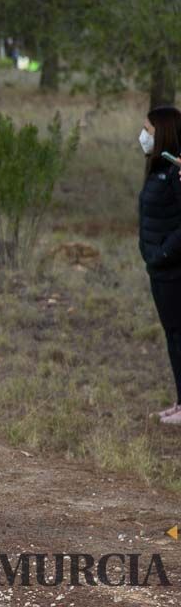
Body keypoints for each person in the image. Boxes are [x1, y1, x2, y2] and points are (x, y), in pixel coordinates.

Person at [139, 105, 181, 423]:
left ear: (163, 132)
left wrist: (164, 252)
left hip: (172, 270)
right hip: (159, 269)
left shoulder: (177, 173)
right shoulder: (159, 168)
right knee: (172, 336)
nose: (143, 136)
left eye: (148, 131)